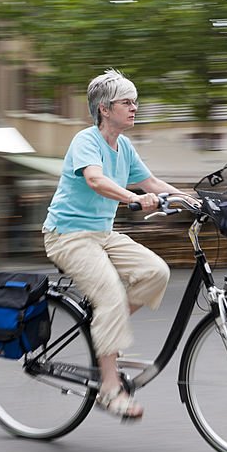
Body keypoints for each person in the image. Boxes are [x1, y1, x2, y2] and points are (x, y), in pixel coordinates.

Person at [43, 69, 186, 420]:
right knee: (109, 295)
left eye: (135, 102)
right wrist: (132, 200)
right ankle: (109, 390)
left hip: (102, 235)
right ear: (105, 109)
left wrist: (191, 199)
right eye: (127, 102)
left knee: (155, 272)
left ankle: (104, 327)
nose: (135, 108)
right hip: (68, 235)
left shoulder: (124, 147)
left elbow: (150, 181)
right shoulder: (86, 140)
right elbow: (95, 179)